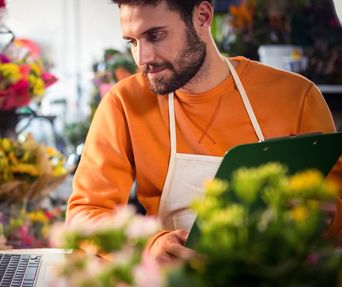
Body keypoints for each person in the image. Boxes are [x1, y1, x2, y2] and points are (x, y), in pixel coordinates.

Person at [66, 0, 342, 264]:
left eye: (156, 35)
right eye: (132, 42)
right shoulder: (124, 103)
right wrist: (148, 244)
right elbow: (83, 214)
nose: (142, 58)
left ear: (202, 17)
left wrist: (329, 215)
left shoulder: (296, 97)